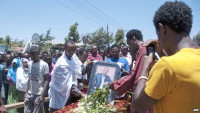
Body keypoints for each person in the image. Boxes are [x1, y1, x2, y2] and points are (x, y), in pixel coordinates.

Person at [134, 1, 200, 113]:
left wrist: (145, 67)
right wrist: (161, 53)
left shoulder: (166, 66)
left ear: (162, 28)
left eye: (157, 34)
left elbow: (139, 106)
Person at [48, 40, 84, 113]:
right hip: (58, 95)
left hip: (67, 95)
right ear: (65, 48)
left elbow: (76, 74)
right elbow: (66, 84)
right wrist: (81, 94)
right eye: (69, 50)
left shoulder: (73, 59)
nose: (71, 52)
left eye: (73, 50)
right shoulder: (62, 64)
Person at [24, 45, 49, 113]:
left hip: (38, 94)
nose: (34, 55)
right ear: (30, 54)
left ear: (39, 53)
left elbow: (47, 79)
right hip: (29, 94)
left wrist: (42, 94)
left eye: (36, 53)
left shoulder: (44, 65)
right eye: (32, 53)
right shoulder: (29, 64)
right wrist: (26, 92)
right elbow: (29, 78)